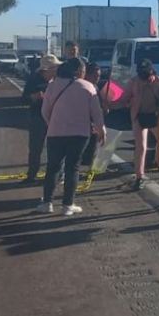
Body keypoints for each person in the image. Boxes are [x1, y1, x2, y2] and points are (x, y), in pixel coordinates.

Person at [39, 58, 106, 216]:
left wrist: (53, 123)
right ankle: (67, 205)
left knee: (53, 167)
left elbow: (44, 111)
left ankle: (47, 202)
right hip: (80, 135)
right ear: (78, 71)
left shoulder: (52, 85)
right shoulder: (88, 87)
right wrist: (101, 131)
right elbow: (97, 114)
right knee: (72, 168)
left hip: (55, 133)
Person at [119, 58, 159, 188]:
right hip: (139, 116)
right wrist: (126, 102)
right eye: (141, 72)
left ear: (152, 71)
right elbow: (124, 99)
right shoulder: (133, 82)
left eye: (146, 72)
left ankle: (158, 160)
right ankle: (139, 175)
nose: (144, 76)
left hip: (155, 115)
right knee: (141, 146)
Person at [21, 54, 60, 183]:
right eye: (54, 68)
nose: (56, 70)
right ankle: (32, 175)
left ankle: (53, 175)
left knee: (54, 149)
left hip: (54, 119)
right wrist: (34, 97)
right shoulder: (34, 80)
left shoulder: (57, 81)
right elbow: (23, 98)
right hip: (37, 118)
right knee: (35, 148)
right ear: (46, 69)